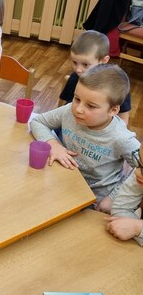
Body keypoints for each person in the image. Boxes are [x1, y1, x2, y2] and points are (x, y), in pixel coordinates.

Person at [30, 64, 140, 213]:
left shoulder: (122, 138)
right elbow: (38, 121)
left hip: (94, 202)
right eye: (77, 98)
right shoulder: (69, 111)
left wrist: (114, 196)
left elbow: (139, 169)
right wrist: (53, 144)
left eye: (91, 106)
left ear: (113, 110)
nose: (78, 109)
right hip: (60, 183)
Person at [59, 30, 131, 124]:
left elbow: (123, 119)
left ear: (104, 60)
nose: (78, 70)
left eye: (85, 64)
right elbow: (61, 111)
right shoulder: (74, 78)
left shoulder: (117, 85)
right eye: (74, 62)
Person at [106, 145, 143, 245]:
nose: (137, 172)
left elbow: (132, 227)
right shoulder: (140, 174)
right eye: (138, 161)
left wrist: (137, 228)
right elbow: (121, 208)